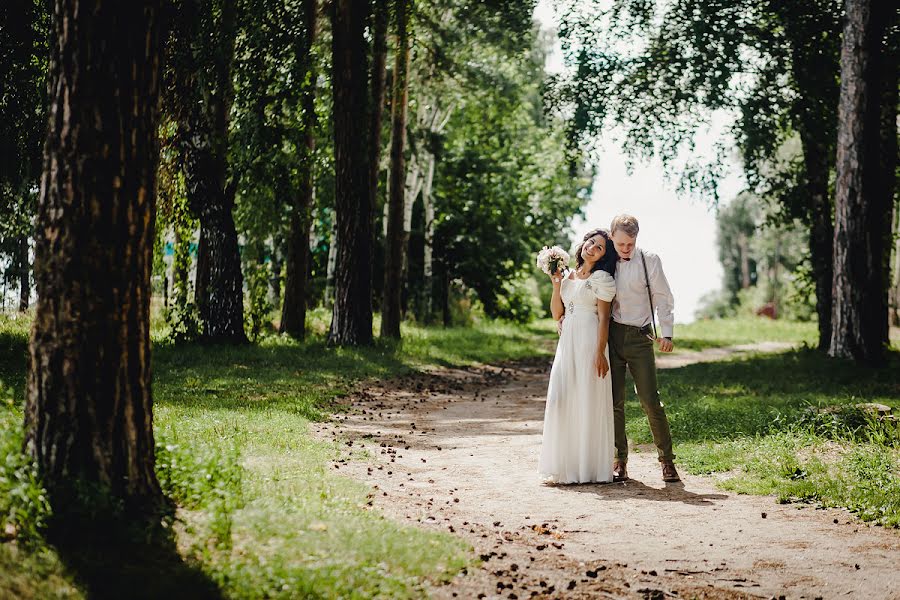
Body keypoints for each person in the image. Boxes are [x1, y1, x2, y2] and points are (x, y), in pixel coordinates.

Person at [539, 229, 618, 483]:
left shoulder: (602, 278)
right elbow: (556, 313)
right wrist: (556, 285)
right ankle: (564, 465)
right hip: (567, 342)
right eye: (591, 242)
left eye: (600, 248)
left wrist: (599, 352)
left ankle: (587, 468)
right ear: (584, 243)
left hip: (588, 341)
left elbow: (604, 318)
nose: (592, 248)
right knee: (561, 397)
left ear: (604, 256)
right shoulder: (568, 275)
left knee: (585, 398)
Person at [607, 214, 679, 483]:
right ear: (612, 236)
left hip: (641, 336)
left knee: (650, 400)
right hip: (612, 335)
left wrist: (667, 333)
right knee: (615, 401)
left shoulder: (650, 260)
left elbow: (663, 298)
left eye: (631, 243)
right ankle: (619, 461)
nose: (626, 249)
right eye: (621, 244)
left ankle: (667, 461)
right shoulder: (606, 259)